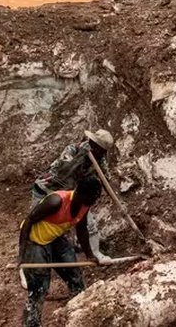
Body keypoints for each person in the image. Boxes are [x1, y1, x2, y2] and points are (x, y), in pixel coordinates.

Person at [19, 177, 110, 327]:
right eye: (91, 198)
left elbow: (82, 230)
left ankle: (80, 313)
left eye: (95, 198)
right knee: (39, 287)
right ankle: (32, 323)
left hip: (54, 237)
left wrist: (90, 255)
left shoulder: (84, 204)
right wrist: (22, 254)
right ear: (79, 193)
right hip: (34, 240)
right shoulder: (56, 201)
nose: (93, 202)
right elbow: (28, 221)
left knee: (74, 275)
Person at [31, 130, 114, 206]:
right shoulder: (73, 149)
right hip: (46, 188)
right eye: (94, 145)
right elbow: (64, 170)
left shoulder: (100, 162)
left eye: (102, 151)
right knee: (39, 214)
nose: (100, 153)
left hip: (63, 196)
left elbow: (107, 182)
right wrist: (81, 156)